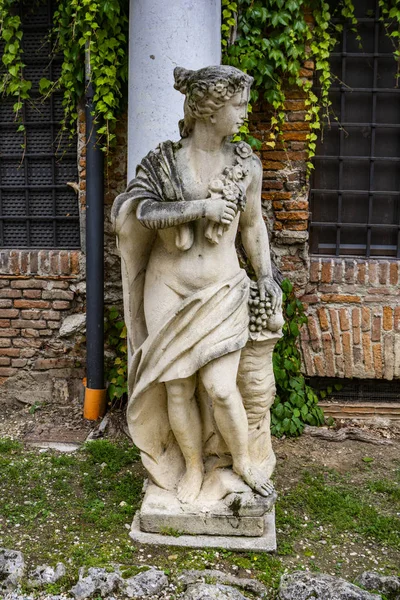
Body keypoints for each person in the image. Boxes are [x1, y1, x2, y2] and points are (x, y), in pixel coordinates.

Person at [112, 65, 283, 505]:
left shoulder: (246, 164)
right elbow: (143, 212)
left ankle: (242, 461)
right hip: (167, 287)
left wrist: (266, 276)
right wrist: (200, 208)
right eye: (238, 105)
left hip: (223, 288)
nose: (244, 114)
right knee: (177, 388)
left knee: (222, 388)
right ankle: (190, 466)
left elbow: (253, 227)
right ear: (209, 110)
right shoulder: (163, 161)